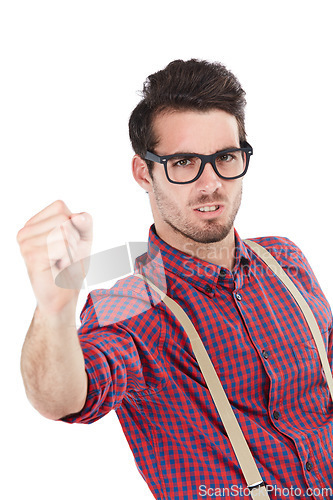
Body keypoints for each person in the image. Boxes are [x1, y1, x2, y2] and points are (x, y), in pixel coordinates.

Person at [17, 59, 333, 499]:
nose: (211, 184)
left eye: (225, 157)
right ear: (144, 173)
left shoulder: (284, 258)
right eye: (184, 162)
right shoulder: (129, 303)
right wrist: (53, 311)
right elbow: (64, 400)